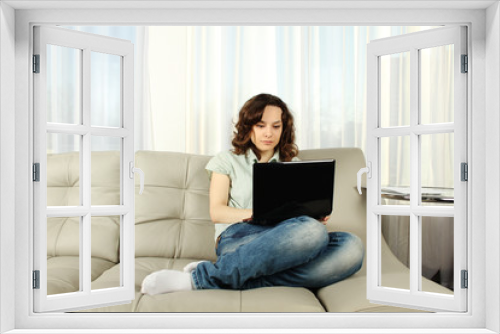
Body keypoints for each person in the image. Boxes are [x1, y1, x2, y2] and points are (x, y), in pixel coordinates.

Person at [141, 93, 364, 295]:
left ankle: (217, 276)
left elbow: (299, 223)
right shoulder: (226, 160)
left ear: (283, 129)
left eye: (276, 126)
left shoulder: (292, 164)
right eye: (260, 125)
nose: (269, 133)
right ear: (248, 127)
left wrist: (313, 215)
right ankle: (202, 279)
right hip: (239, 237)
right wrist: (261, 213)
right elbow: (217, 212)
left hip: (284, 240)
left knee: (351, 246)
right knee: (312, 232)